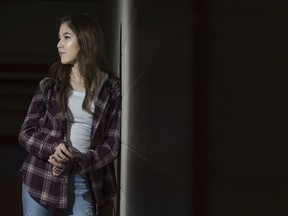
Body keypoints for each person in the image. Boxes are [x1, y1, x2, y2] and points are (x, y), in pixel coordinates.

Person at [19, 13, 121, 216]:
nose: (59, 44)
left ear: (85, 40)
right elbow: (26, 132)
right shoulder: (49, 85)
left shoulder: (111, 88)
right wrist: (53, 148)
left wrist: (78, 164)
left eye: (66, 37)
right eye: (59, 38)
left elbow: (112, 144)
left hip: (84, 177)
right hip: (41, 175)